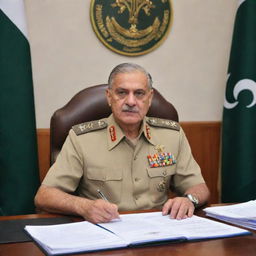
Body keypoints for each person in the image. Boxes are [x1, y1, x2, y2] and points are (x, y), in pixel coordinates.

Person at [35, 63, 210, 223]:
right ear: (109, 97)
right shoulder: (81, 138)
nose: (131, 102)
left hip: (160, 231)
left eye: (139, 93)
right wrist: (84, 207)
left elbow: (198, 186)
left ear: (149, 98)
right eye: (122, 93)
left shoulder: (172, 135)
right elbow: (44, 196)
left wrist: (189, 200)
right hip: (105, 232)